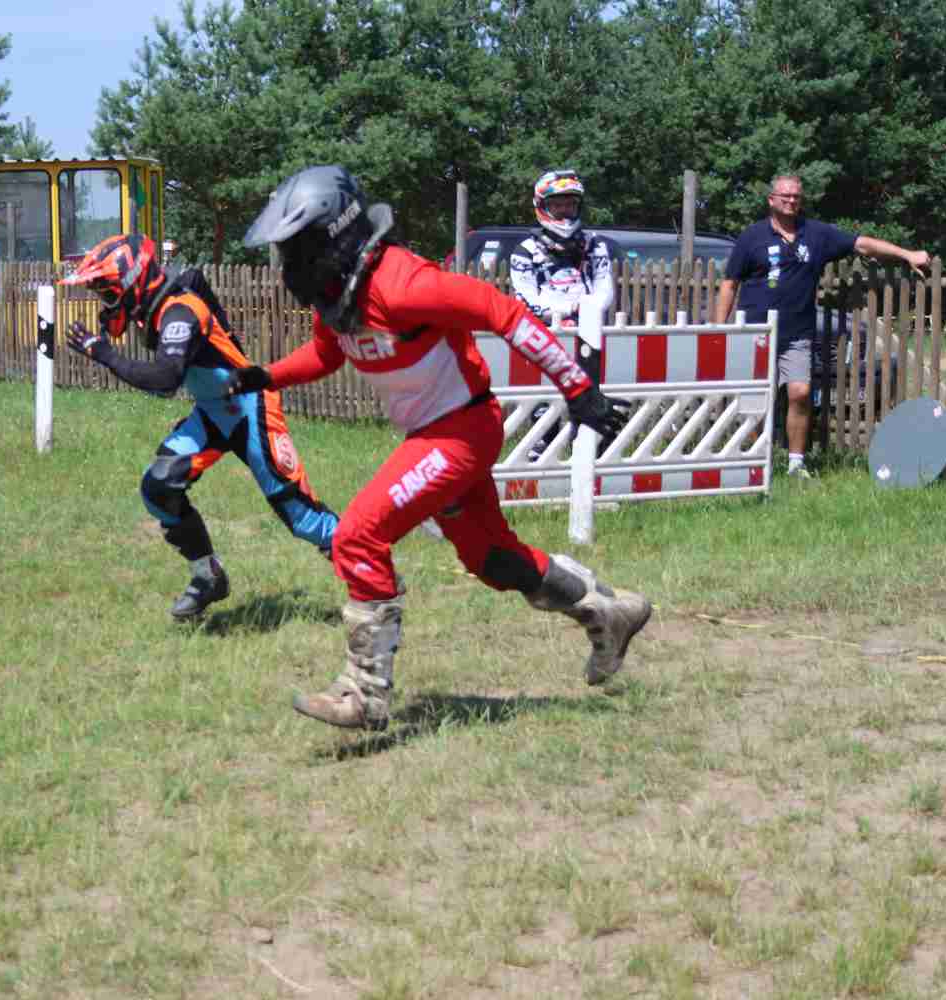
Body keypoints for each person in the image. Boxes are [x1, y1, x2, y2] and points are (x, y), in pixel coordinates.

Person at [229, 165, 652, 731]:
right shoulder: (338, 295)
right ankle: (608, 611)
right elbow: (327, 355)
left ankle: (365, 691)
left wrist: (577, 388)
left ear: (334, 236)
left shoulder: (405, 285)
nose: (288, 266)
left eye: (296, 248)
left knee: (357, 536)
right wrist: (266, 377)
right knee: (492, 560)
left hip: (461, 430)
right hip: (433, 433)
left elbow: (503, 313)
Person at [60, 233, 339, 620]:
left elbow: (164, 379)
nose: (105, 305)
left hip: (249, 409)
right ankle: (208, 577)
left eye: (107, 293)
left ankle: (370, 570)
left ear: (133, 281)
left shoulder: (180, 312)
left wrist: (104, 354)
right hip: (212, 413)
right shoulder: (156, 306)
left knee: (300, 516)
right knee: (158, 486)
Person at [713, 173, 931, 479]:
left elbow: (863, 244)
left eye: (796, 197)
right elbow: (729, 284)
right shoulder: (752, 237)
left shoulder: (815, 234)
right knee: (756, 403)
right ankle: (755, 462)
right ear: (771, 200)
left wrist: (907, 254)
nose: (791, 201)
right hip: (756, 334)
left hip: (798, 334)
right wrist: (718, 330)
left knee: (800, 393)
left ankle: (795, 464)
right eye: (785, 196)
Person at [511, 169, 617, 458]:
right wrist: (569, 308)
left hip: (588, 335)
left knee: (591, 395)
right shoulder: (525, 251)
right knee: (544, 401)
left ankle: (590, 455)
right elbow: (525, 299)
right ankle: (541, 457)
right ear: (543, 207)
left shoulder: (596, 245)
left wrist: (589, 309)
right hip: (544, 335)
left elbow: (605, 290)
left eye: (570, 203)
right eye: (557, 204)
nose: (564, 210)